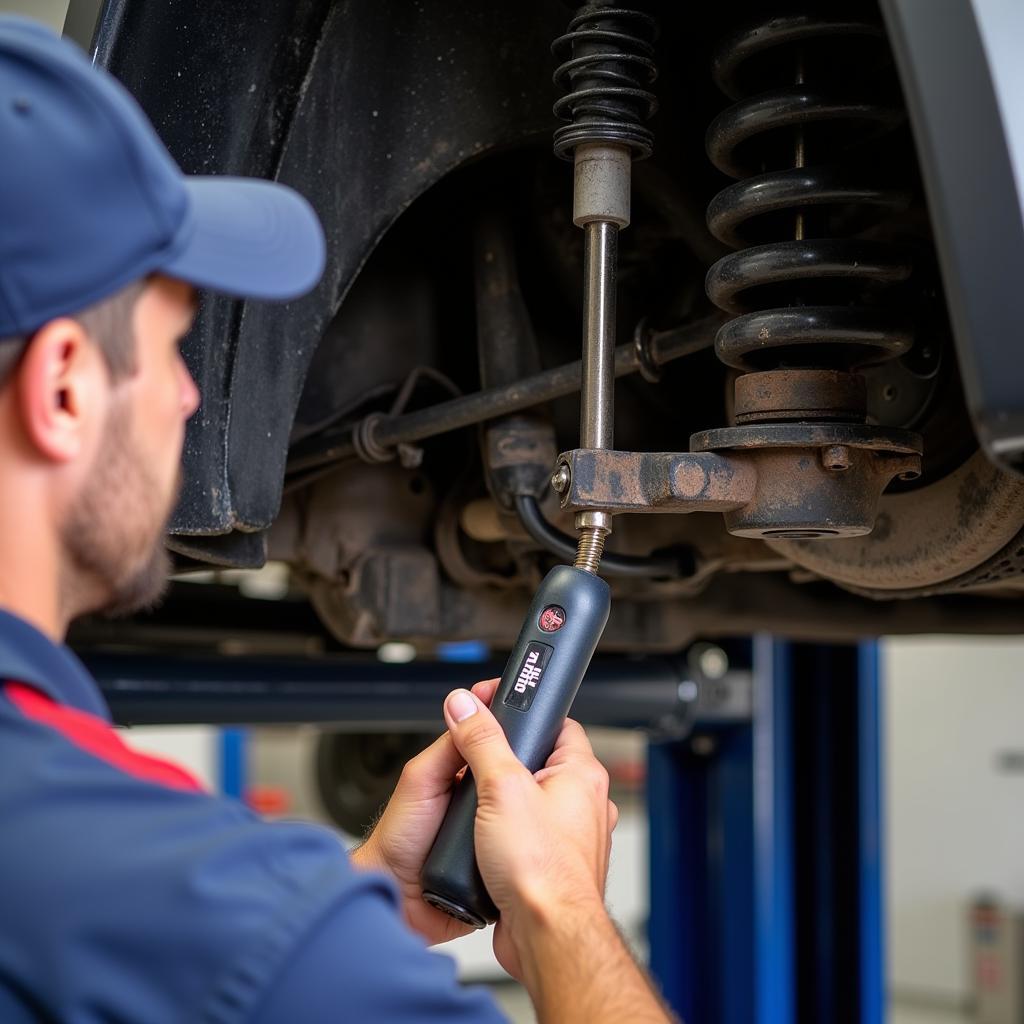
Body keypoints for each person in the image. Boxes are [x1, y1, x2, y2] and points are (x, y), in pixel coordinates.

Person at [0, 17, 673, 1024]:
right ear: (62, 390)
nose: (191, 401)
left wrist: (370, 907)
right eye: (175, 347)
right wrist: (560, 906)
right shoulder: (234, 927)